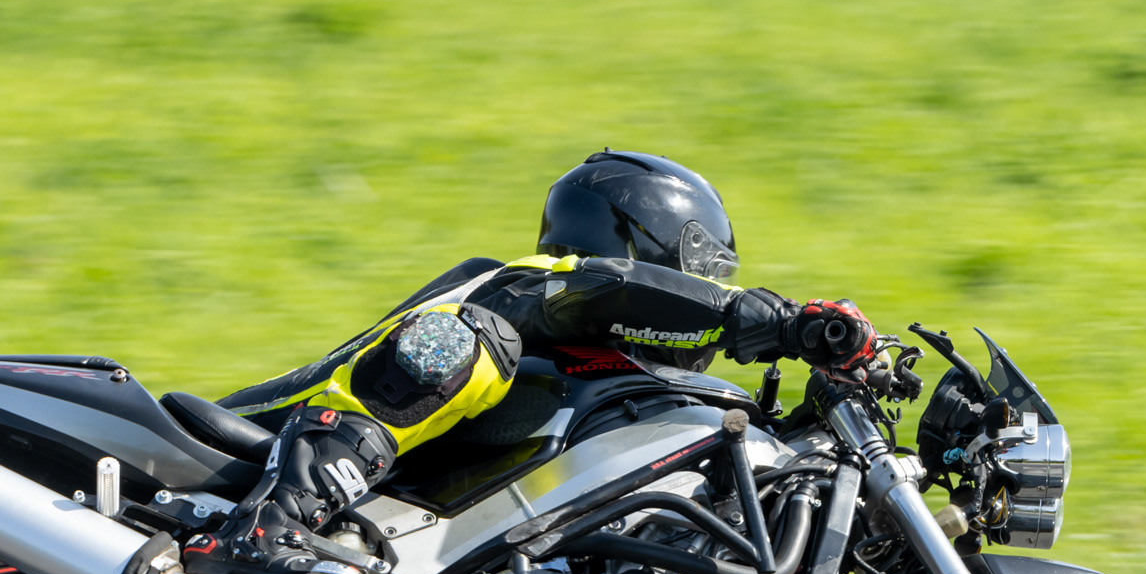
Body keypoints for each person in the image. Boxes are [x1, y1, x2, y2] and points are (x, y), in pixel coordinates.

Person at [214, 149, 881, 530]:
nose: (705, 287)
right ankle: (285, 512)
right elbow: (610, 289)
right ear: (647, 249)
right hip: (249, 443)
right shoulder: (525, 285)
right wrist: (776, 321)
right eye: (700, 272)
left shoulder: (581, 372)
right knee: (474, 336)